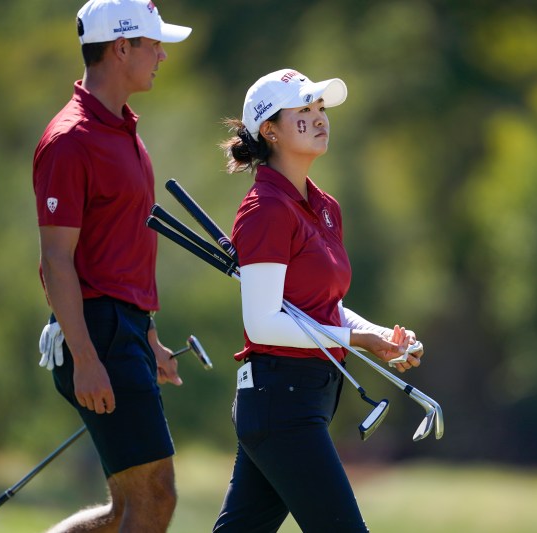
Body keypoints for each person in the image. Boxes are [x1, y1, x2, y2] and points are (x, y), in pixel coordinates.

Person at [212, 68, 426, 533]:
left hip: (302, 399)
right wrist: (357, 340)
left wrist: (375, 335)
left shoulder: (325, 207)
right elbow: (264, 323)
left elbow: (323, 306)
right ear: (268, 130)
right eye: (304, 111)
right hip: (279, 401)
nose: (320, 118)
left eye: (321, 109)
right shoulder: (264, 209)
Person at [32, 1, 191, 531]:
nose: (162, 55)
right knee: (155, 499)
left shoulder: (125, 131)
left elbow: (119, 255)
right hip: (94, 336)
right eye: (153, 45)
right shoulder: (70, 139)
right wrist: (85, 357)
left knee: (129, 508)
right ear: (121, 47)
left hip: (122, 332)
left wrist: (148, 337)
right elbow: (56, 262)